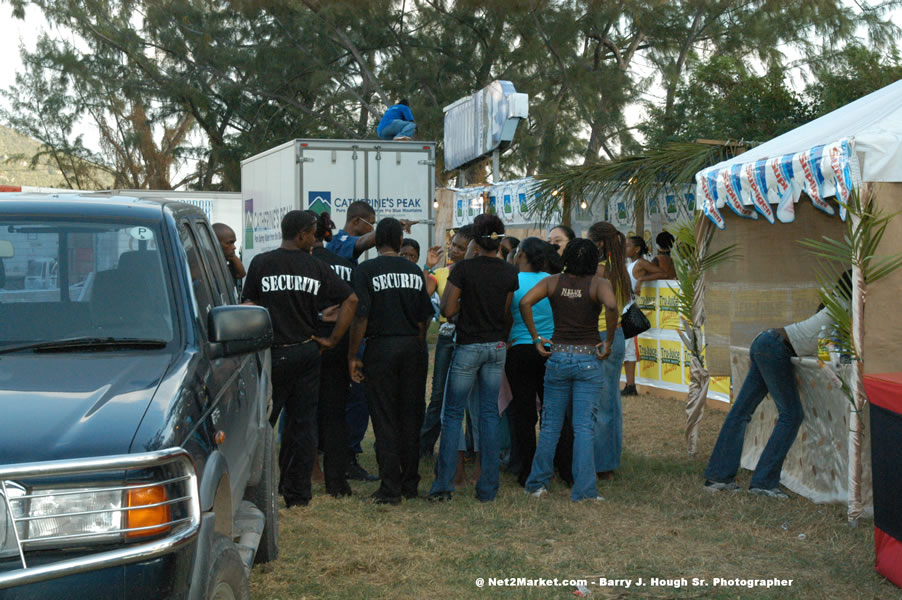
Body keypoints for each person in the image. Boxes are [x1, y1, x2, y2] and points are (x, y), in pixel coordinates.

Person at [242, 210, 358, 508]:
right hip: (306, 351)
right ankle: (297, 494)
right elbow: (351, 299)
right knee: (302, 425)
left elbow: (248, 304)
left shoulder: (261, 263)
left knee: (264, 424)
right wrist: (332, 339)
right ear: (303, 234)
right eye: (312, 232)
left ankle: (255, 491)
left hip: (272, 352)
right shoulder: (314, 266)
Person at [704, 272, 851, 498]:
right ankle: (763, 482)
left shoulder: (834, 304)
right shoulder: (845, 307)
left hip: (766, 341)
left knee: (742, 411)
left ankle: (718, 477)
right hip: (775, 348)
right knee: (791, 415)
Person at [520, 239, 620, 501]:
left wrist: (535, 337)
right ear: (592, 261)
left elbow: (525, 302)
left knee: (551, 425)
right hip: (588, 359)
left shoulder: (553, 282)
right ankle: (584, 490)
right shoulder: (599, 284)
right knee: (583, 427)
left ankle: (536, 484)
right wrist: (608, 340)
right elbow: (611, 306)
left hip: (559, 357)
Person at [429, 214, 518, 503]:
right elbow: (505, 313)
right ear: (500, 240)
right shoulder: (508, 272)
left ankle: (444, 485)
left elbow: (447, 308)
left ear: (475, 241)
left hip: (468, 345)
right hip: (496, 346)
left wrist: (464, 311)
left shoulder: (464, 269)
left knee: (453, 414)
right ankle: (488, 488)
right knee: (489, 415)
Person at [348, 218, 434, 504]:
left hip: (380, 348)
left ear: (376, 241)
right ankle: (410, 483)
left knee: (383, 417)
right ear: (399, 241)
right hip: (412, 346)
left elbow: (361, 315)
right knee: (411, 416)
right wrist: (417, 347)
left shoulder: (366, 270)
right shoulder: (414, 270)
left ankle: (390, 488)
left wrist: (353, 355)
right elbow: (425, 317)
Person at [504, 237, 559, 486]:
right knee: (552, 412)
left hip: (520, 349)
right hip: (551, 349)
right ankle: (555, 464)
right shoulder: (553, 281)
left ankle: (527, 469)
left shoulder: (513, 281)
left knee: (524, 414)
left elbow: (505, 315)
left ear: (522, 255)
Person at [311, 211, 356, 497]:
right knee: (336, 415)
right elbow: (355, 305)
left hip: (308, 344)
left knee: (303, 413)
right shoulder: (346, 267)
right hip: (338, 347)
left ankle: (308, 471)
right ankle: (337, 482)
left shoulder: (302, 265)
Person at [419, 226, 473, 458]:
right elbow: (421, 296)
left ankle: (472, 448)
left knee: (472, 399)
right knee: (438, 393)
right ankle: (425, 447)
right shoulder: (441, 274)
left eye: (461, 247)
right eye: (453, 245)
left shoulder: (477, 272)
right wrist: (428, 266)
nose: (455, 250)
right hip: (445, 335)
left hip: (471, 337)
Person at [587, 221, 632, 480]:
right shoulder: (619, 269)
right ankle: (608, 459)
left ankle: (602, 465)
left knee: (601, 405)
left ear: (599, 243)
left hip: (603, 335)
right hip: (615, 337)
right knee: (610, 403)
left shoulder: (600, 271)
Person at [621, 235, 666, 396]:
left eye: (628, 246)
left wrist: (641, 279)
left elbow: (662, 273)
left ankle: (630, 385)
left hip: (627, 310)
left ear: (637, 249)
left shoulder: (640, 263)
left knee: (627, 348)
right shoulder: (629, 264)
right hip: (624, 307)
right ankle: (630, 385)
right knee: (628, 350)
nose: (625, 248)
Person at [327, 200, 416, 265]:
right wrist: (396, 226)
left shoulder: (348, 243)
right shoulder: (337, 242)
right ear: (356, 221)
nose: (372, 229)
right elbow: (362, 242)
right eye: (371, 223)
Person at [212, 222, 246, 292]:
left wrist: (232, 255)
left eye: (233, 243)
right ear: (215, 242)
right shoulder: (206, 263)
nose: (234, 247)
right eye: (229, 243)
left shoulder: (226, 260)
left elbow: (241, 274)